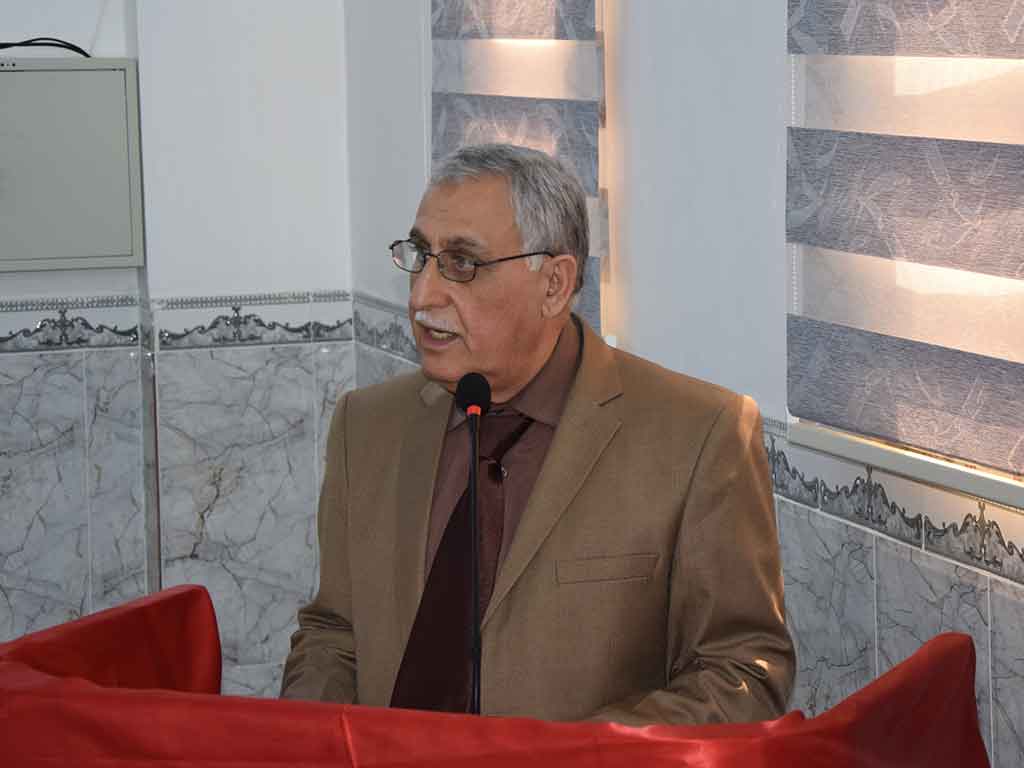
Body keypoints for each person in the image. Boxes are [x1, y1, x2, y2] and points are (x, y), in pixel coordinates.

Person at [280, 143, 794, 725]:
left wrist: (581, 756)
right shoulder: (366, 427)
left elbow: (742, 670)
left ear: (554, 283)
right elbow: (334, 636)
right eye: (420, 256)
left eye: (462, 264)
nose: (422, 296)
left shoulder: (698, 437)